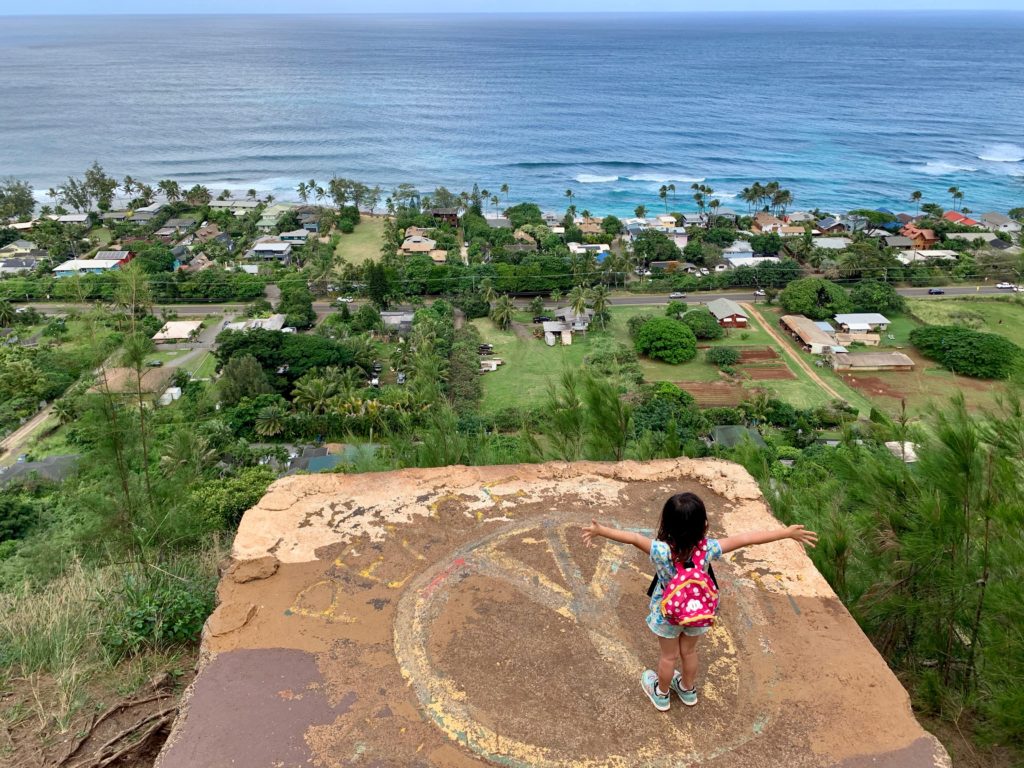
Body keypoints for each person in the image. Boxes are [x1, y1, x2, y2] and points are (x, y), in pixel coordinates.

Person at [581, 492, 817, 711]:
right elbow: (747, 539)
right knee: (689, 652)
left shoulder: (660, 550)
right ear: (703, 525)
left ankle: (661, 694)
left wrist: (601, 530)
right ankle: (687, 690)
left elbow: (632, 538)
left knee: (668, 657)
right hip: (698, 610)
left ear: (667, 524)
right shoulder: (708, 549)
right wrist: (785, 533)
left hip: (669, 613)